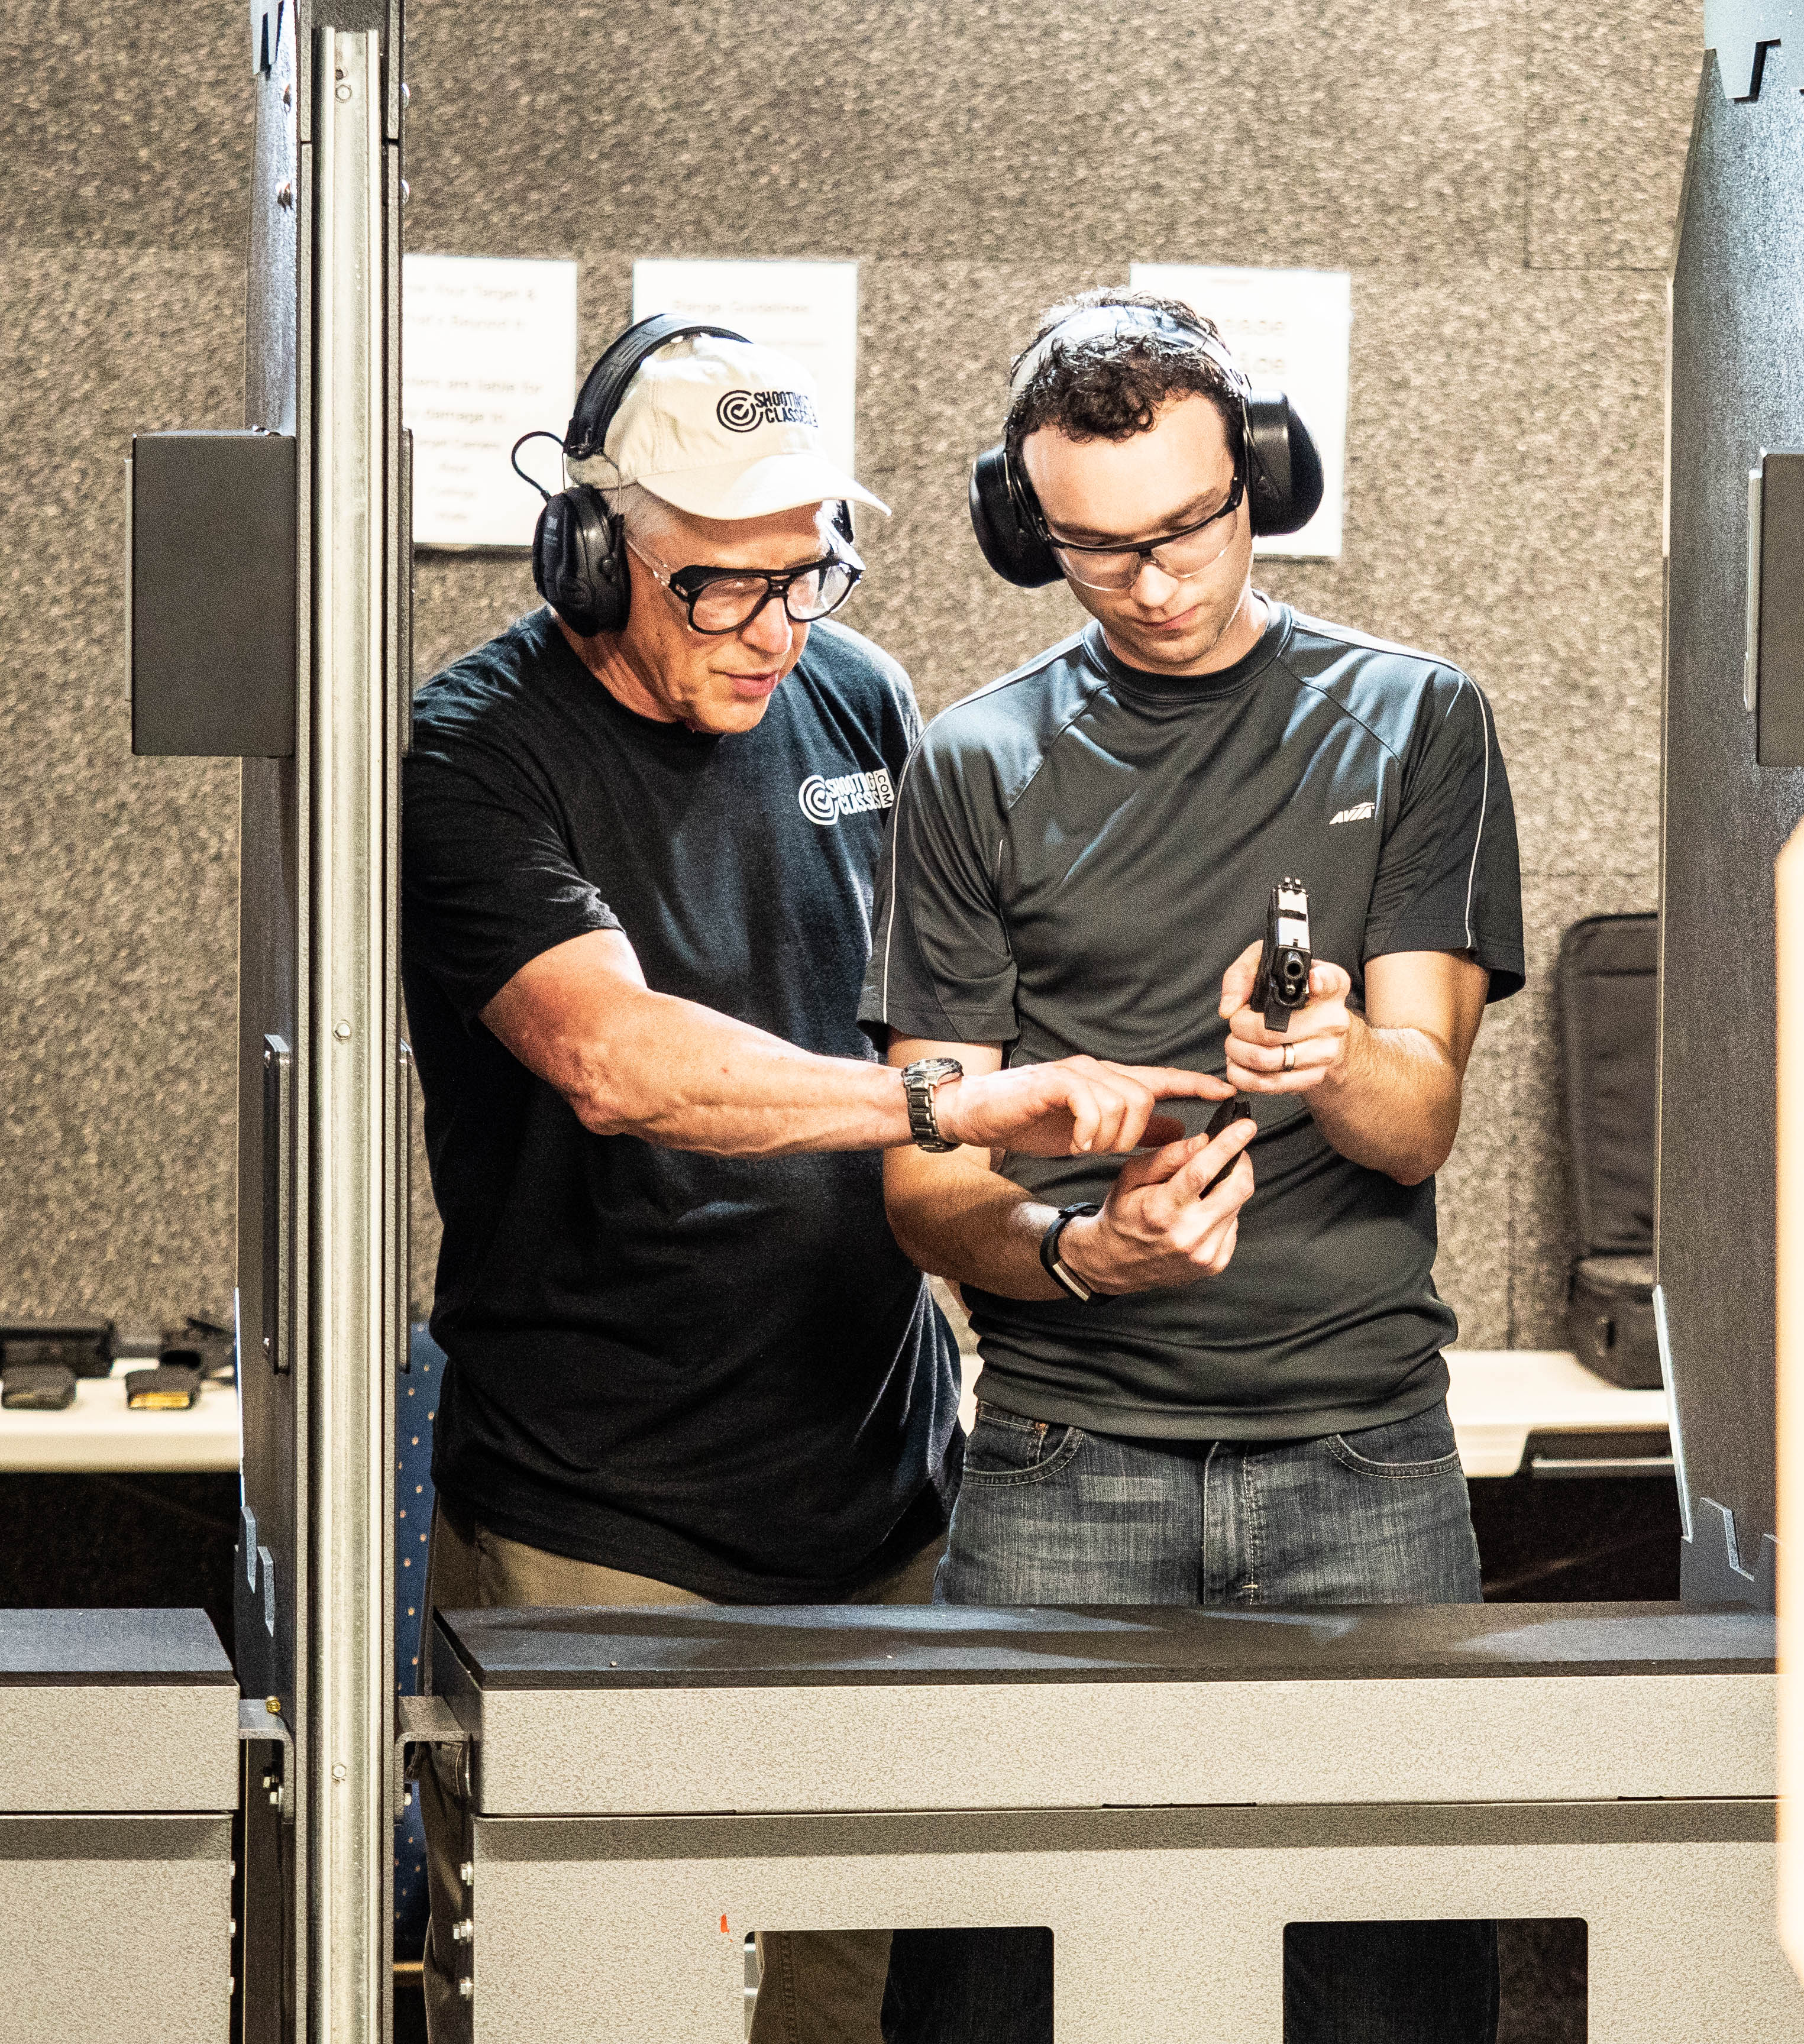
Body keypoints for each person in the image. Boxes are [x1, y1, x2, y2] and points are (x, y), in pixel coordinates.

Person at [401, 318, 1225, 2044]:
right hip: (601, 1527)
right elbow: (619, 1063)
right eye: (720, 588)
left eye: (809, 571)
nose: (777, 626)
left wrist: (1080, 1226)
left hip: (880, 1504)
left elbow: (953, 1016)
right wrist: (955, 1102)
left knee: (843, 2007)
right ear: (594, 550)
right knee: (609, 2003)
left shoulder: (851, 694)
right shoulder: (477, 752)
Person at [867, 291, 1526, 2043]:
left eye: (1189, 529)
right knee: (1003, 1993)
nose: (1156, 585)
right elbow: (925, 1181)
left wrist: (1338, 1059)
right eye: (1096, 554)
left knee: (1384, 1998)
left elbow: (1420, 1119)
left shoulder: (1414, 722)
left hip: (1361, 1458)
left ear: (1268, 478)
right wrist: (1088, 1255)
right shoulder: (972, 765)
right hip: (1065, 1463)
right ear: (1031, 533)